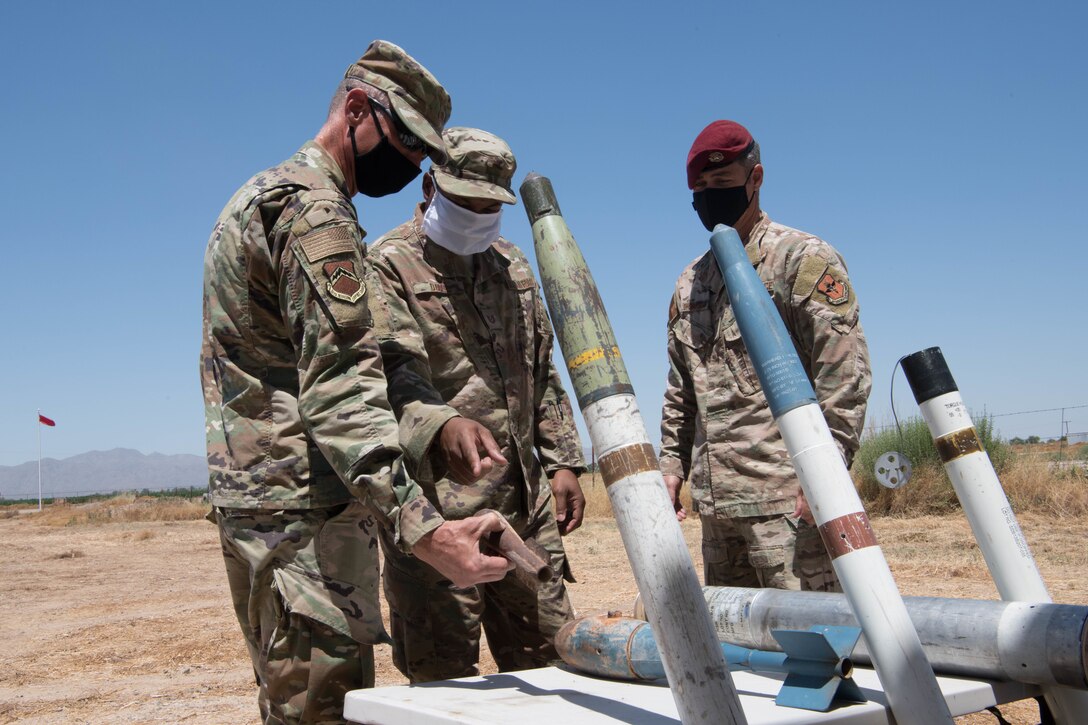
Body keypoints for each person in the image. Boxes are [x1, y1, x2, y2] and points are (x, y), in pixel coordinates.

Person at [200, 41, 512, 723]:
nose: (410, 166)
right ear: (358, 110)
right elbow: (341, 389)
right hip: (304, 529)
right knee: (323, 711)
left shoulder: (258, 196)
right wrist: (429, 531)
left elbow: (357, 359)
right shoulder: (318, 214)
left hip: (261, 513)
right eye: (403, 141)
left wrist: (435, 426)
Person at [368, 127, 586, 682]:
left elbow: (539, 369)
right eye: (464, 202)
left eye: (489, 206)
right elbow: (389, 374)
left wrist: (562, 460)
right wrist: (443, 425)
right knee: (443, 683)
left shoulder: (512, 267)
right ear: (429, 187)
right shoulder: (387, 266)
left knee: (554, 665)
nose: (476, 215)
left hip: (523, 507)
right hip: (438, 516)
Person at [659, 120, 872, 592]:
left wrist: (825, 477)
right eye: (702, 187)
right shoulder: (690, 282)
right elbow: (681, 392)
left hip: (789, 506)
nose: (711, 196)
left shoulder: (801, 260)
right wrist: (671, 469)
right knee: (739, 650)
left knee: (813, 645)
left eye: (723, 184)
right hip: (718, 512)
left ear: (755, 180)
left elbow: (843, 372)